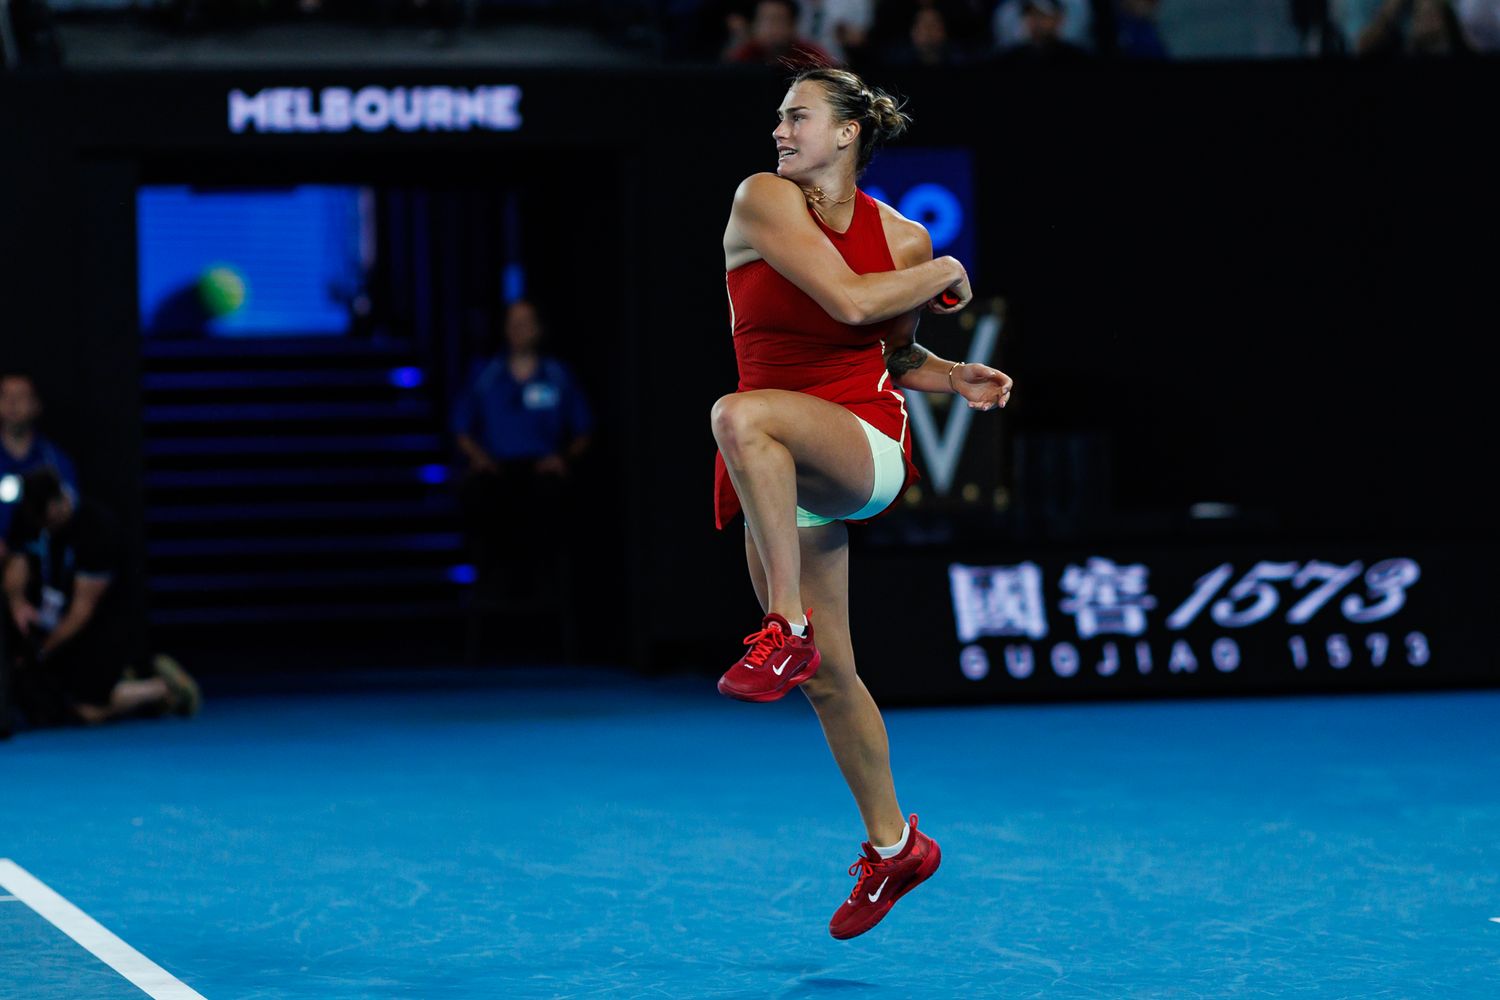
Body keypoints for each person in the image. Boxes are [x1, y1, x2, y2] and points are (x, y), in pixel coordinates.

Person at [712, 67, 1013, 939]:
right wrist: (952, 316)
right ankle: (895, 846)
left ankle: (783, 628)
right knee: (833, 682)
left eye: (797, 117)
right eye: (778, 118)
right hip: (774, 463)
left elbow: (893, 355)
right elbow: (847, 300)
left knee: (736, 414)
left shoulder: (907, 239)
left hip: (857, 441)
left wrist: (950, 372)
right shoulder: (763, 200)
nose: (779, 131)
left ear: (847, 133)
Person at [4, 469, 199, 729]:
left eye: (48, 521)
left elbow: (81, 611)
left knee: (86, 710)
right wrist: (17, 602)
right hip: (55, 623)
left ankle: (160, 689)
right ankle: (126, 677)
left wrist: (42, 651)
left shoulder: (97, 528)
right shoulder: (30, 512)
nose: (44, 528)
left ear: (60, 501)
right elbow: (18, 557)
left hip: (102, 626)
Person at [453, 299, 592, 600]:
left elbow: (583, 431)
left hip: (540, 473)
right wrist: (480, 459)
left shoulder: (557, 375)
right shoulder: (486, 374)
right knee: (477, 497)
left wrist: (561, 459)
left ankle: (546, 588)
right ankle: (494, 584)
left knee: (554, 502)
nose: (519, 329)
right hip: (497, 472)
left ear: (539, 329)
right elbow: (461, 428)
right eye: (513, 322)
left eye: (526, 322)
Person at [0, 372, 79, 562]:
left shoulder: (53, 459)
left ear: (36, 405)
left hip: (41, 553)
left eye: (20, 396)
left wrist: (55, 511)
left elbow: (68, 507)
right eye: (5, 395)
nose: (12, 403)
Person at [723, 0, 837, 68]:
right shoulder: (743, 55)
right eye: (764, 20)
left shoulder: (812, 56)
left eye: (777, 20)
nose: (770, 28)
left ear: (792, 26)